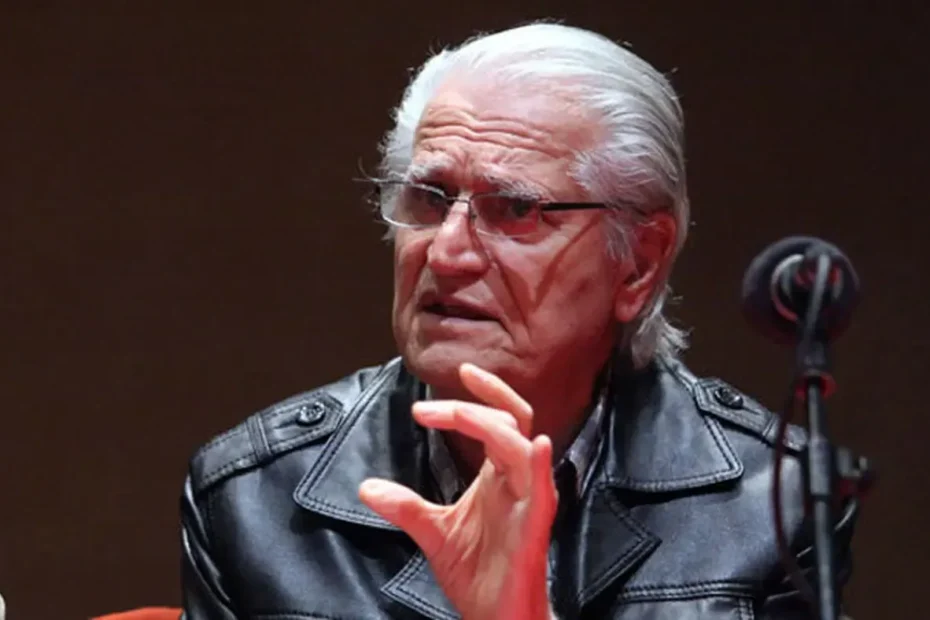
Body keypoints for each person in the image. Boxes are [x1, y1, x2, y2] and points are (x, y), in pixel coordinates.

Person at [179, 22, 858, 619]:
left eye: (515, 209)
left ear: (639, 264)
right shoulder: (256, 498)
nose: (445, 252)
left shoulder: (775, 501)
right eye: (429, 197)